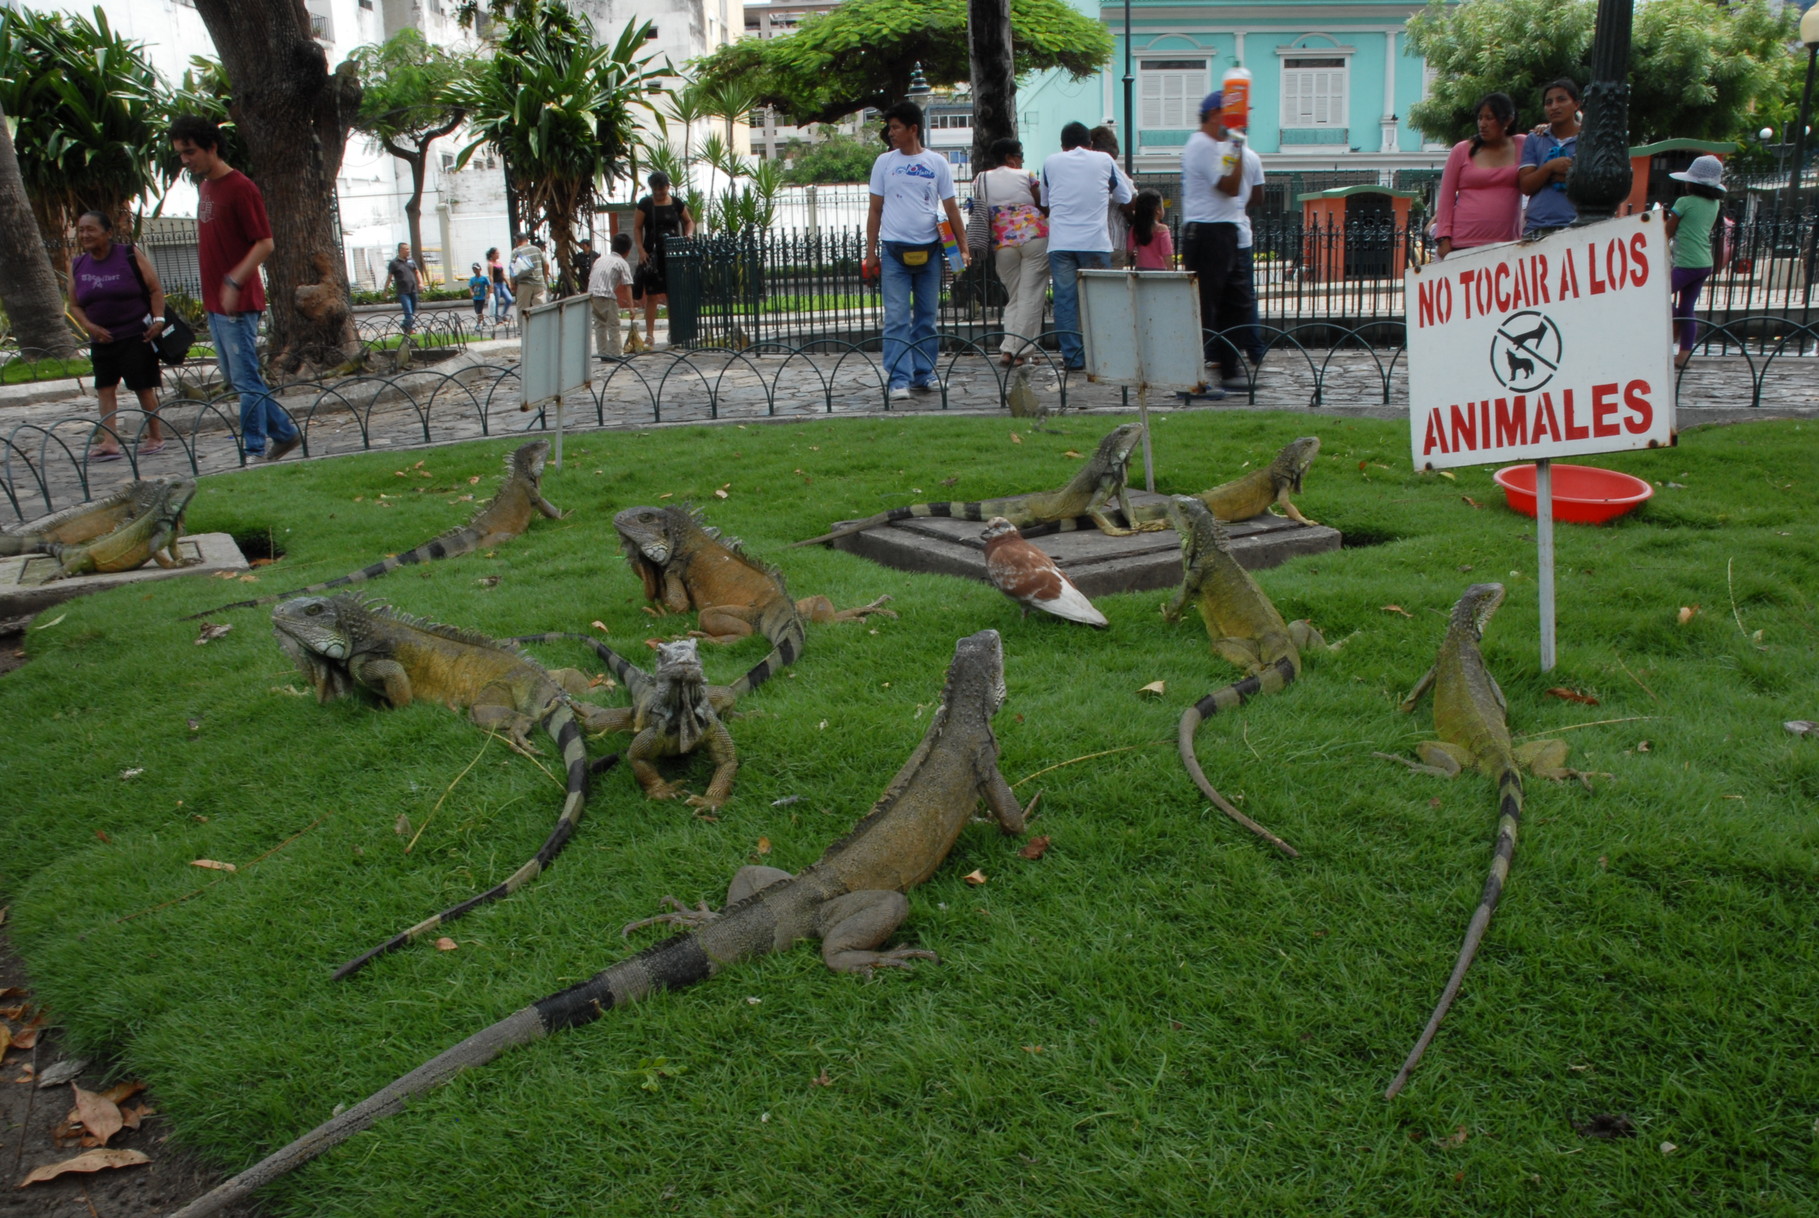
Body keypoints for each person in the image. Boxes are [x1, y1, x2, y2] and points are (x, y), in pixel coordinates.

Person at [170, 113, 301, 461]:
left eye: (190, 152)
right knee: (238, 379)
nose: (185, 160)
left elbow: (265, 243)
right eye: (181, 154)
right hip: (215, 301)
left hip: (238, 301)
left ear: (212, 147)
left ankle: (254, 450)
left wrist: (233, 280)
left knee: (245, 381)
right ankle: (286, 434)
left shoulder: (242, 188)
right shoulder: (206, 187)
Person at [864, 101, 969, 398]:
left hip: (930, 250)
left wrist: (963, 248)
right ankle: (898, 379)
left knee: (926, 316)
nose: (890, 133)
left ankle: (923, 374)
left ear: (913, 129)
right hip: (894, 250)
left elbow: (951, 208)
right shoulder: (884, 163)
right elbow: (875, 210)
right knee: (897, 316)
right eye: (889, 127)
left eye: (896, 127)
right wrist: (871, 253)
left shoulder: (937, 163)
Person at [67, 209, 167, 460]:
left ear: (108, 233)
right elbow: (75, 305)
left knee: (143, 387)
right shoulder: (78, 264)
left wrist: (158, 320)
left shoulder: (129, 255)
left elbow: (154, 289)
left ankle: (155, 436)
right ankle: (109, 441)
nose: (85, 234)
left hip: (136, 335)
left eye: (91, 229)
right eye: (81, 230)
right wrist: (90, 326)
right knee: (105, 388)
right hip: (102, 340)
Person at [1178, 92, 1255, 390]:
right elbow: (1230, 186)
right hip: (1208, 232)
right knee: (1205, 308)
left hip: (1224, 230)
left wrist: (1234, 144)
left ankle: (1229, 370)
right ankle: (1191, 377)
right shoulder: (1202, 145)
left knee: (1236, 303)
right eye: (1233, 114)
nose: (1240, 121)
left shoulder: (1216, 145)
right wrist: (1237, 142)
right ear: (1214, 115)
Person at [1041, 121, 1132, 371]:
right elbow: (1125, 196)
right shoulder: (1104, 160)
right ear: (1091, 144)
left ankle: (1073, 357)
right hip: (1095, 242)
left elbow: (1045, 201)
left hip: (1060, 243)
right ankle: (1103, 355)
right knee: (1101, 300)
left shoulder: (1051, 162)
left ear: (1062, 146)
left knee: (1065, 301)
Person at [972, 137, 1048, 365]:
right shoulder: (1026, 175)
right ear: (1010, 158)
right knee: (1031, 296)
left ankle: (1008, 349)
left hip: (1002, 243)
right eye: (1020, 156)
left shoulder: (980, 179)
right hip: (1034, 238)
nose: (1022, 160)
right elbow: (1043, 203)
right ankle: (1022, 352)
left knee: (1014, 296)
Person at [1433, 94, 1525, 259]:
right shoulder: (1462, 150)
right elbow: (1446, 198)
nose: (1482, 124)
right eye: (1480, 118)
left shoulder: (1523, 144)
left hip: (1507, 244)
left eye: (1489, 118)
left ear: (1508, 120)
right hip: (1462, 244)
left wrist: (1543, 129)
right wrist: (1443, 238)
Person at [1663, 155, 1726, 370]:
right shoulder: (1714, 204)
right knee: (1688, 307)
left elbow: (1668, 231)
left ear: (1691, 182)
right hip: (1704, 262)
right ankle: (1684, 355)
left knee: (1657, 293)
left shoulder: (1684, 202)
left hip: (1687, 263)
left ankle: (1674, 326)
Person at [631, 171, 694, 349]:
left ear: (667, 187)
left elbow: (689, 221)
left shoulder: (676, 203)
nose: (658, 194)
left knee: (673, 295)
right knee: (651, 295)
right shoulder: (645, 203)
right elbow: (637, 227)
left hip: (672, 252)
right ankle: (649, 335)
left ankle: (674, 331)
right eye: (655, 190)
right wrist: (641, 250)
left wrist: (688, 235)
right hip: (652, 253)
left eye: (661, 190)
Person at [1519, 78, 1582, 237]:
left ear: (1576, 104)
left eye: (1561, 100)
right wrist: (1549, 167)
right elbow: (1526, 186)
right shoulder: (1535, 139)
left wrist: (1571, 177)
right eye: (1549, 102)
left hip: (1579, 228)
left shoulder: (1589, 139)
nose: (1554, 106)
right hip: (1537, 228)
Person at [1088, 125, 1138, 269]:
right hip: (1117, 241)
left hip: (1092, 243)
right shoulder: (1121, 176)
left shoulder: (1083, 175)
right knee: (1113, 289)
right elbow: (1133, 202)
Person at [589, 232, 636, 360]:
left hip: (592, 295)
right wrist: (631, 307)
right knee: (613, 325)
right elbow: (627, 285)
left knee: (600, 325)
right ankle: (616, 353)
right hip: (606, 296)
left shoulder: (600, 260)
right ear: (627, 251)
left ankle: (603, 353)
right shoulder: (621, 263)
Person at [1128, 189, 1175, 271]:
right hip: (1159, 271)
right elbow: (1167, 255)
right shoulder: (1162, 229)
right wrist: (1172, 273)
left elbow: (1129, 250)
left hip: (1140, 270)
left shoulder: (1135, 228)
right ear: (1158, 210)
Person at [508, 232, 549, 311]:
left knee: (522, 310)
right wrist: (545, 278)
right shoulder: (536, 249)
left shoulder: (516, 251)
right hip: (539, 284)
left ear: (517, 241)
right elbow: (546, 264)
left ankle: (523, 324)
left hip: (524, 285)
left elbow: (512, 269)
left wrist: (513, 284)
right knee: (539, 310)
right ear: (527, 240)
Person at [386, 242, 420, 334]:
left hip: (413, 290)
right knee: (408, 311)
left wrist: (420, 283)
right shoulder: (394, 263)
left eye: (409, 249)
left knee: (412, 311)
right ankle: (410, 329)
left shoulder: (411, 260)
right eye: (406, 249)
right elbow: (389, 277)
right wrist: (386, 290)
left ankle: (405, 324)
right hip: (403, 292)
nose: (408, 251)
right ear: (401, 250)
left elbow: (417, 272)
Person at [486, 246, 513, 325]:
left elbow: (503, 274)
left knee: (509, 299)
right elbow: (490, 276)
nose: (498, 255)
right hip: (496, 284)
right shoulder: (490, 264)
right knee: (496, 302)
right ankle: (497, 319)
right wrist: (491, 286)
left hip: (502, 284)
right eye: (497, 253)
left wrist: (508, 283)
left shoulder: (499, 263)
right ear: (492, 254)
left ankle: (503, 315)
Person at [467, 262, 491, 328]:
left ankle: (478, 324)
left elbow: (489, 285)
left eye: (476, 269)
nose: (475, 271)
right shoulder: (472, 279)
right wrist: (471, 293)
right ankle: (483, 321)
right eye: (474, 269)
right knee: (477, 311)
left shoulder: (484, 278)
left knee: (479, 311)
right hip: (475, 298)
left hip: (481, 297)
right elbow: (470, 287)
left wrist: (488, 293)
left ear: (480, 269)